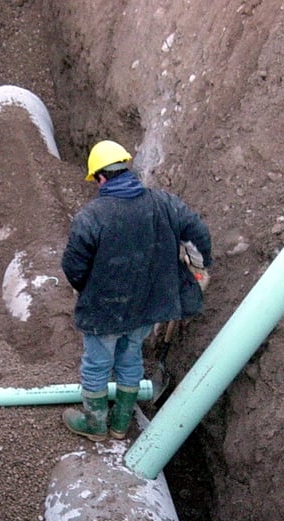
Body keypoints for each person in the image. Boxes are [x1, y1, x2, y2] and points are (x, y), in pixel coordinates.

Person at [61, 139, 212, 441]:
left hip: (105, 310)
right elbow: (197, 232)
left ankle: (95, 425)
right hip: (148, 306)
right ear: (125, 168)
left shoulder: (91, 217)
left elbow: (73, 267)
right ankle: (120, 424)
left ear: (101, 177)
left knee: (97, 363)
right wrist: (198, 266)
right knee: (131, 357)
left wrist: (85, 289)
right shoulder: (165, 204)